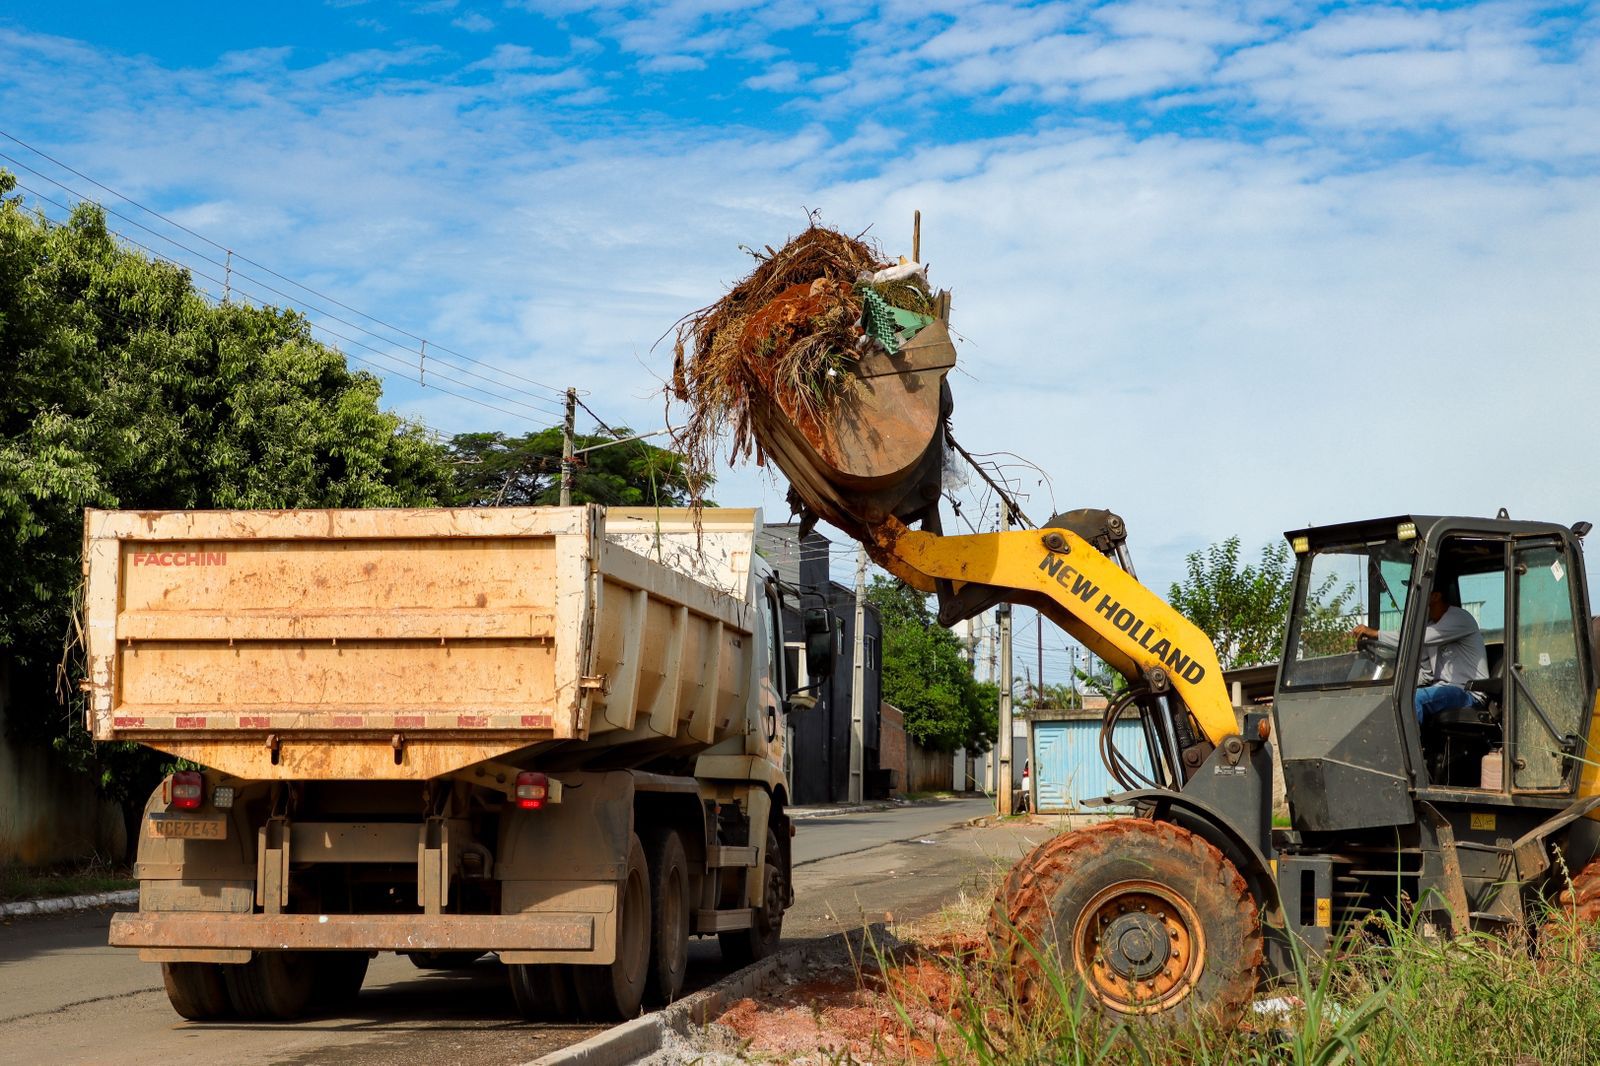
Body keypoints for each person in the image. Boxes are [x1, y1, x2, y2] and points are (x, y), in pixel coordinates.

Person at [1351, 589, 1488, 724]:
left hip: (1468, 692)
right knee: (1395, 696)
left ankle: (1407, 745)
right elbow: (1427, 674)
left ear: (1435, 596)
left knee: (1412, 700)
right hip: (1441, 687)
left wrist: (1377, 634)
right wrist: (1391, 681)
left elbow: (1414, 639)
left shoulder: (1459, 618)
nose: (1414, 599)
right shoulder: (1430, 626)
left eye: (1420, 592)